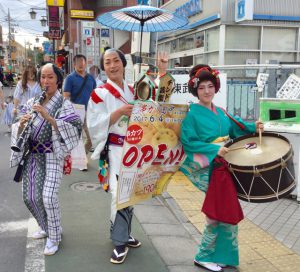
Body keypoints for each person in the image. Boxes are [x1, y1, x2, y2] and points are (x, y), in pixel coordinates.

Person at [180, 65, 264, 272]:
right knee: (216, 212)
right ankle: (203, 256)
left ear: (215, 87)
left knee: (225, 209)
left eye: (210, 86)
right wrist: (213, 149)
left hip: (224, 166)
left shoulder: (222, 112)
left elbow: (238, 128)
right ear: (195, 91)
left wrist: (257, 127)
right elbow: (188, 141)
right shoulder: (191, 114)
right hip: (209, 167)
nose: (207, 91)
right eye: (202, 88)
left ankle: (223, 255)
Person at [10, 63, 82, 256]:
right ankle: (46, 226)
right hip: (32, 155)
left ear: (58, 80)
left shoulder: (64, 104)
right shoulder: (34, 100)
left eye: (50, 77)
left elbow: (75, 126)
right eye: (43, 77)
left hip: (52, 155)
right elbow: (19, 126)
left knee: (48, 197)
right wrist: (21, 124)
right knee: (30, 197)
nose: (45, 81)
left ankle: (54, 236)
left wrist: (48, 117)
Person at [63, 54, 96, 163]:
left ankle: (83, 155)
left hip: (89, 111)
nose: (80, 65)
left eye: (82, 62)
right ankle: (81, 161)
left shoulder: (91, 78)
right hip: (75, 110)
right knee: (77, 137)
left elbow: (95, 94)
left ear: (85, 63)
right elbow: (66, 96)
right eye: (78, 62)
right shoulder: (70, 78)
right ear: (74, 64)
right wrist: (68, 112)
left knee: (91, 137)